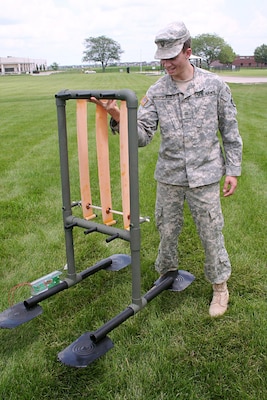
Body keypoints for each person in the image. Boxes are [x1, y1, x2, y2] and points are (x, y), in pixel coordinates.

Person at [90, 21, 243, 317]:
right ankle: (167, 274)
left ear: (188, 52)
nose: (166, 63)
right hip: (170, 176)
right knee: (167, 230)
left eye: (172, 56)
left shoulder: (214, 86)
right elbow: (143, 136)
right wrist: (118, 115)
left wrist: (233, 170)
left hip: (206, 175)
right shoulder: (157, 91)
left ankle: (220, 287)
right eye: (162, 57)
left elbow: (230, 130)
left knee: (211, 232)